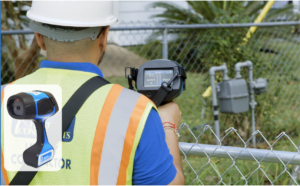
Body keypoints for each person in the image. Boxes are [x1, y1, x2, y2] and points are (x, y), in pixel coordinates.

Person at [1, 1, 184, 185]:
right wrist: (167, 125)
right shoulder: (135, 112)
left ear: (39, 37)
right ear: (104, 37)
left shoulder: (3, 99)